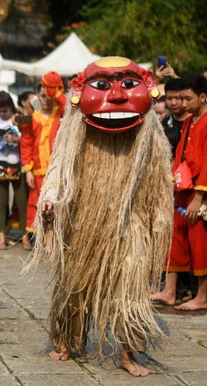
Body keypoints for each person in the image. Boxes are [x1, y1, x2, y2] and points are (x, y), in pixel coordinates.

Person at [29, 57, 171, 377]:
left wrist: (158, 221)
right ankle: (68, 339)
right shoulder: (75, 129)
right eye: (105, 87)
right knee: (75, 287)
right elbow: (58, 171)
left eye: (128, 86)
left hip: (129, 223)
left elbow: (159, 182)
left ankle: (127, 351)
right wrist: (50, 201)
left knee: (130, 292)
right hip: (85, 223)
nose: (118, 97)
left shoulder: (149, 133)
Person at [150, 74, 207, 310]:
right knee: (175, 240)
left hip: (199, 193)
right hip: (182, 190)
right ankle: (169, 291)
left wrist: (198, 197)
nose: (182, 104)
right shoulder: (192, 120)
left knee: (200, 244)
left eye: (187, 99)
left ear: (202, 97)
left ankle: (202, 297)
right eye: (180, 99)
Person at [20, 72, 65, 245]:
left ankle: (54, 239)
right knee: (35, 204)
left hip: (57, 169)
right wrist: (28, 170)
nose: (46, 99)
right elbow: (25, 143)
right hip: (37, 169)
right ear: (37, 97)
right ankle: (39, 241)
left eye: (48, 95)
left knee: (56, 205)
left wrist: (55, 91)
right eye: (42, 95)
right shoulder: (31, 118)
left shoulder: (60, 114)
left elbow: (69, 107)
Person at [0, 91, 26, 249]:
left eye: (5, 111)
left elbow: (31, 136)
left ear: (11, 107)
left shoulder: (20, 117)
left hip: (19, 164)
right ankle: (1, 237)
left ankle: (25, 237)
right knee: (1, 203)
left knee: (22, 203)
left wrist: (16, 139)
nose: (2, 114)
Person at [162, 78, 188, 157]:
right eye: (169, 98)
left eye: (177, 98)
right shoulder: (164, 124)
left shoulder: (195, 122)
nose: (173, 103)